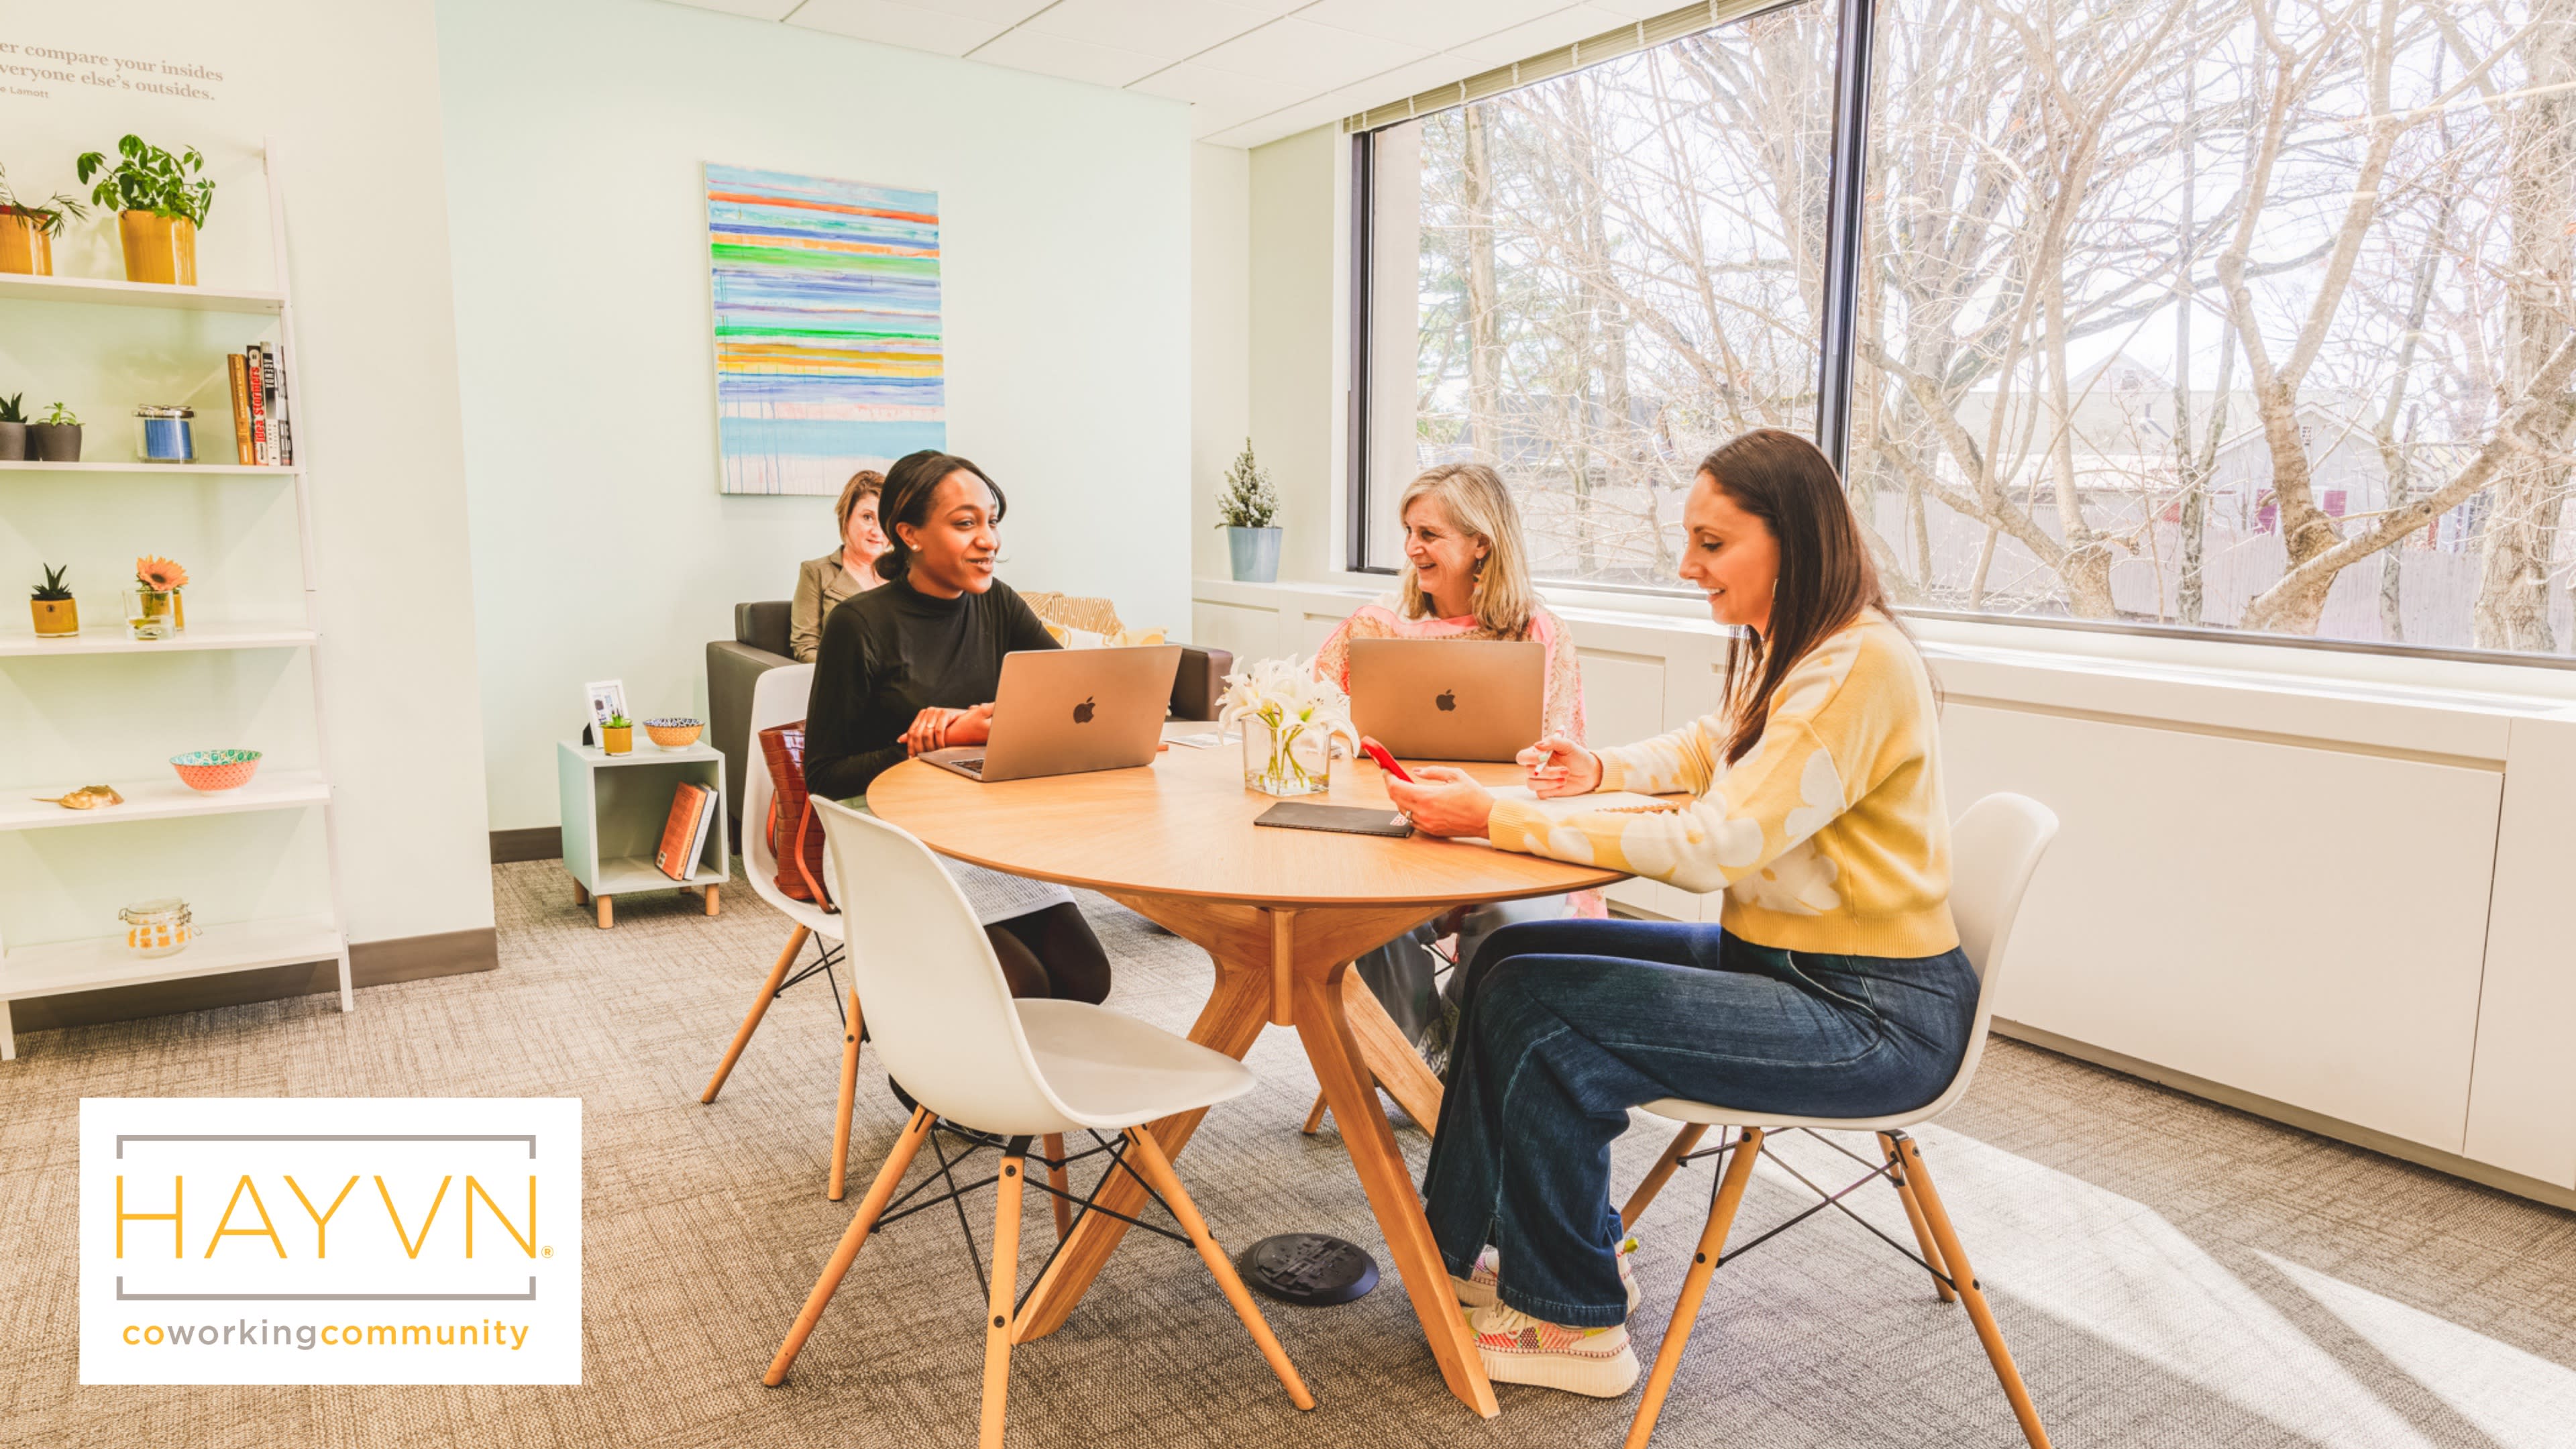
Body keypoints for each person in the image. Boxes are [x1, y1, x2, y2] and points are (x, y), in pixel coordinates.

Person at [1383, 429, 1967, 1398]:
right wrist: (1601, 770)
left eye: (1711, 544)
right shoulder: (1804, 648)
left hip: (1869, 1015)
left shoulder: (1856, 668)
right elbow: (1716, 746)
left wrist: (1503, 816)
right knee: (1506, 964)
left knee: (1544, 1012)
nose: (1687, 565)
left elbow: (1712, 848)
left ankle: (1571, 1321)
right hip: (1785, 962)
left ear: (1794, 539)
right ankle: (1475, 1253)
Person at [803, 449, 1112, 1006]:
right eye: (966, 523)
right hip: (888, 841)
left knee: (1087, 978)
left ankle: (1020, 1089)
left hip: (979, 835)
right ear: (910, 534)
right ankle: (927, 1079)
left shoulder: (999, 606)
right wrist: (939, 744)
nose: (989, 540)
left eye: (992, 521)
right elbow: (824, 776)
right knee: (1019, 986)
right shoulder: (859, 624)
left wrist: (982, 721)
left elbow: (1068, 698)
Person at [1314, 462, 1594, 1059]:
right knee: (1357, 915)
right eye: (1408, 532)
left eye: (1429, 534)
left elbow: (1559, 748)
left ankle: (1462, 1048)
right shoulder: (1375, 626)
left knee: (1516, 920)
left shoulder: (1536, 632)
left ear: (1481, 545)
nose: (1412, 548)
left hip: (1499, 829)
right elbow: (1310, 712)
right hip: (1389, 830)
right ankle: (1407, 1052)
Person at [790, 469, 890, 663]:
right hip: (847, 683)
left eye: (884, 520)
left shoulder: (908, 574)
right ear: (847, 519)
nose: (877, 530)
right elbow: (805, 647)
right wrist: (846, 675)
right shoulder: (816, 572)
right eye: (867, 517)